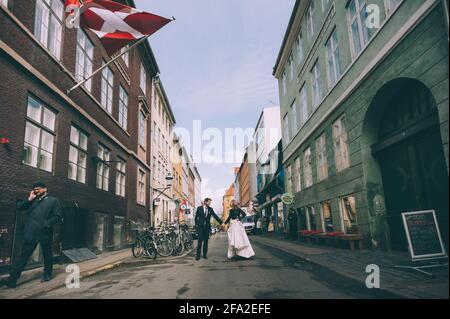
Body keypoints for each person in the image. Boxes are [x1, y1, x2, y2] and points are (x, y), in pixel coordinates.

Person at [1, 182, 62, 288]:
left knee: (47, 255)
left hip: (44, 232)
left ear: (45, 189)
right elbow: (19, 207)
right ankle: (12, 280)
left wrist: (46, 224)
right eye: (34, 189)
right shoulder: (32, 200)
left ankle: (47, 274)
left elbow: (57, 215)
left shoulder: (53, 200)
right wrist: (29, 199)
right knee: (24, 256)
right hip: (31, 232)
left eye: (38, 189)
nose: (36, 191)